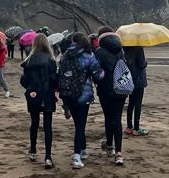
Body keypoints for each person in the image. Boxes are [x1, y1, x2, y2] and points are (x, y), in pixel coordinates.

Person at [58, 32, 102, 169]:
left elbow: (60, 73)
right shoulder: (88, 56)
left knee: (78, 123)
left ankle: (83, 150)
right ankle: (77, 156)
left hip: (67, 94)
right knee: (80, 126)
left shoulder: (65, 55)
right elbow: (98, 75)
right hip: (83, 94)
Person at [20, 33, 59, 169]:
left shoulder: (29, 61)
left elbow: (24, 80)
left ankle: (33, 150)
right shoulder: (51, 60)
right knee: (48, 125)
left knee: (34, 123)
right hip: (47, 94)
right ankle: (48, 157)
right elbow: (55, 80)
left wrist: (31, 87)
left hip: (33, 94)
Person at [93, 25, 128, 166]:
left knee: (108, 118)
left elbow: (97, 74)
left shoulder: (99, 52)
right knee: (117, 120)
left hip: (105, 90)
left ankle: (109, 146)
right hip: (121, 89)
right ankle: (119, 153)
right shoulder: (120, 50)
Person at [123, 45, 148, 136]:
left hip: (129, 79)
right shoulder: (138, 48)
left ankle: (129, 126)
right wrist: (145, 63)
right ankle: (136, 128)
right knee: (138, 104)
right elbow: (141, 64)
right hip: (139, 80)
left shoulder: (124, 48)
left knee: (131, 103)